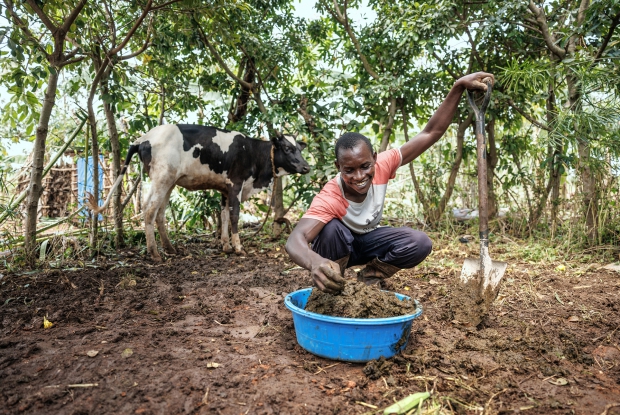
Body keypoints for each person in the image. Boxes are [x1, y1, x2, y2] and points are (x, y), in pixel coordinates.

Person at [285, 72, 495, 294]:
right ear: (338, 167)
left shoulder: (384, 164)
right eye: (349, 170)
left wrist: (458, 87)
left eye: (365, 166)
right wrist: (314, 263)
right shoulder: (331, 196)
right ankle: (334, 281)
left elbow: (431, 132)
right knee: (331, 230)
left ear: (375, 158)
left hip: (368, 243)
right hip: (337, 247)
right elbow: (295, 240)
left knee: (419, 242)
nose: (358, 176)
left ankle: (367, 280)